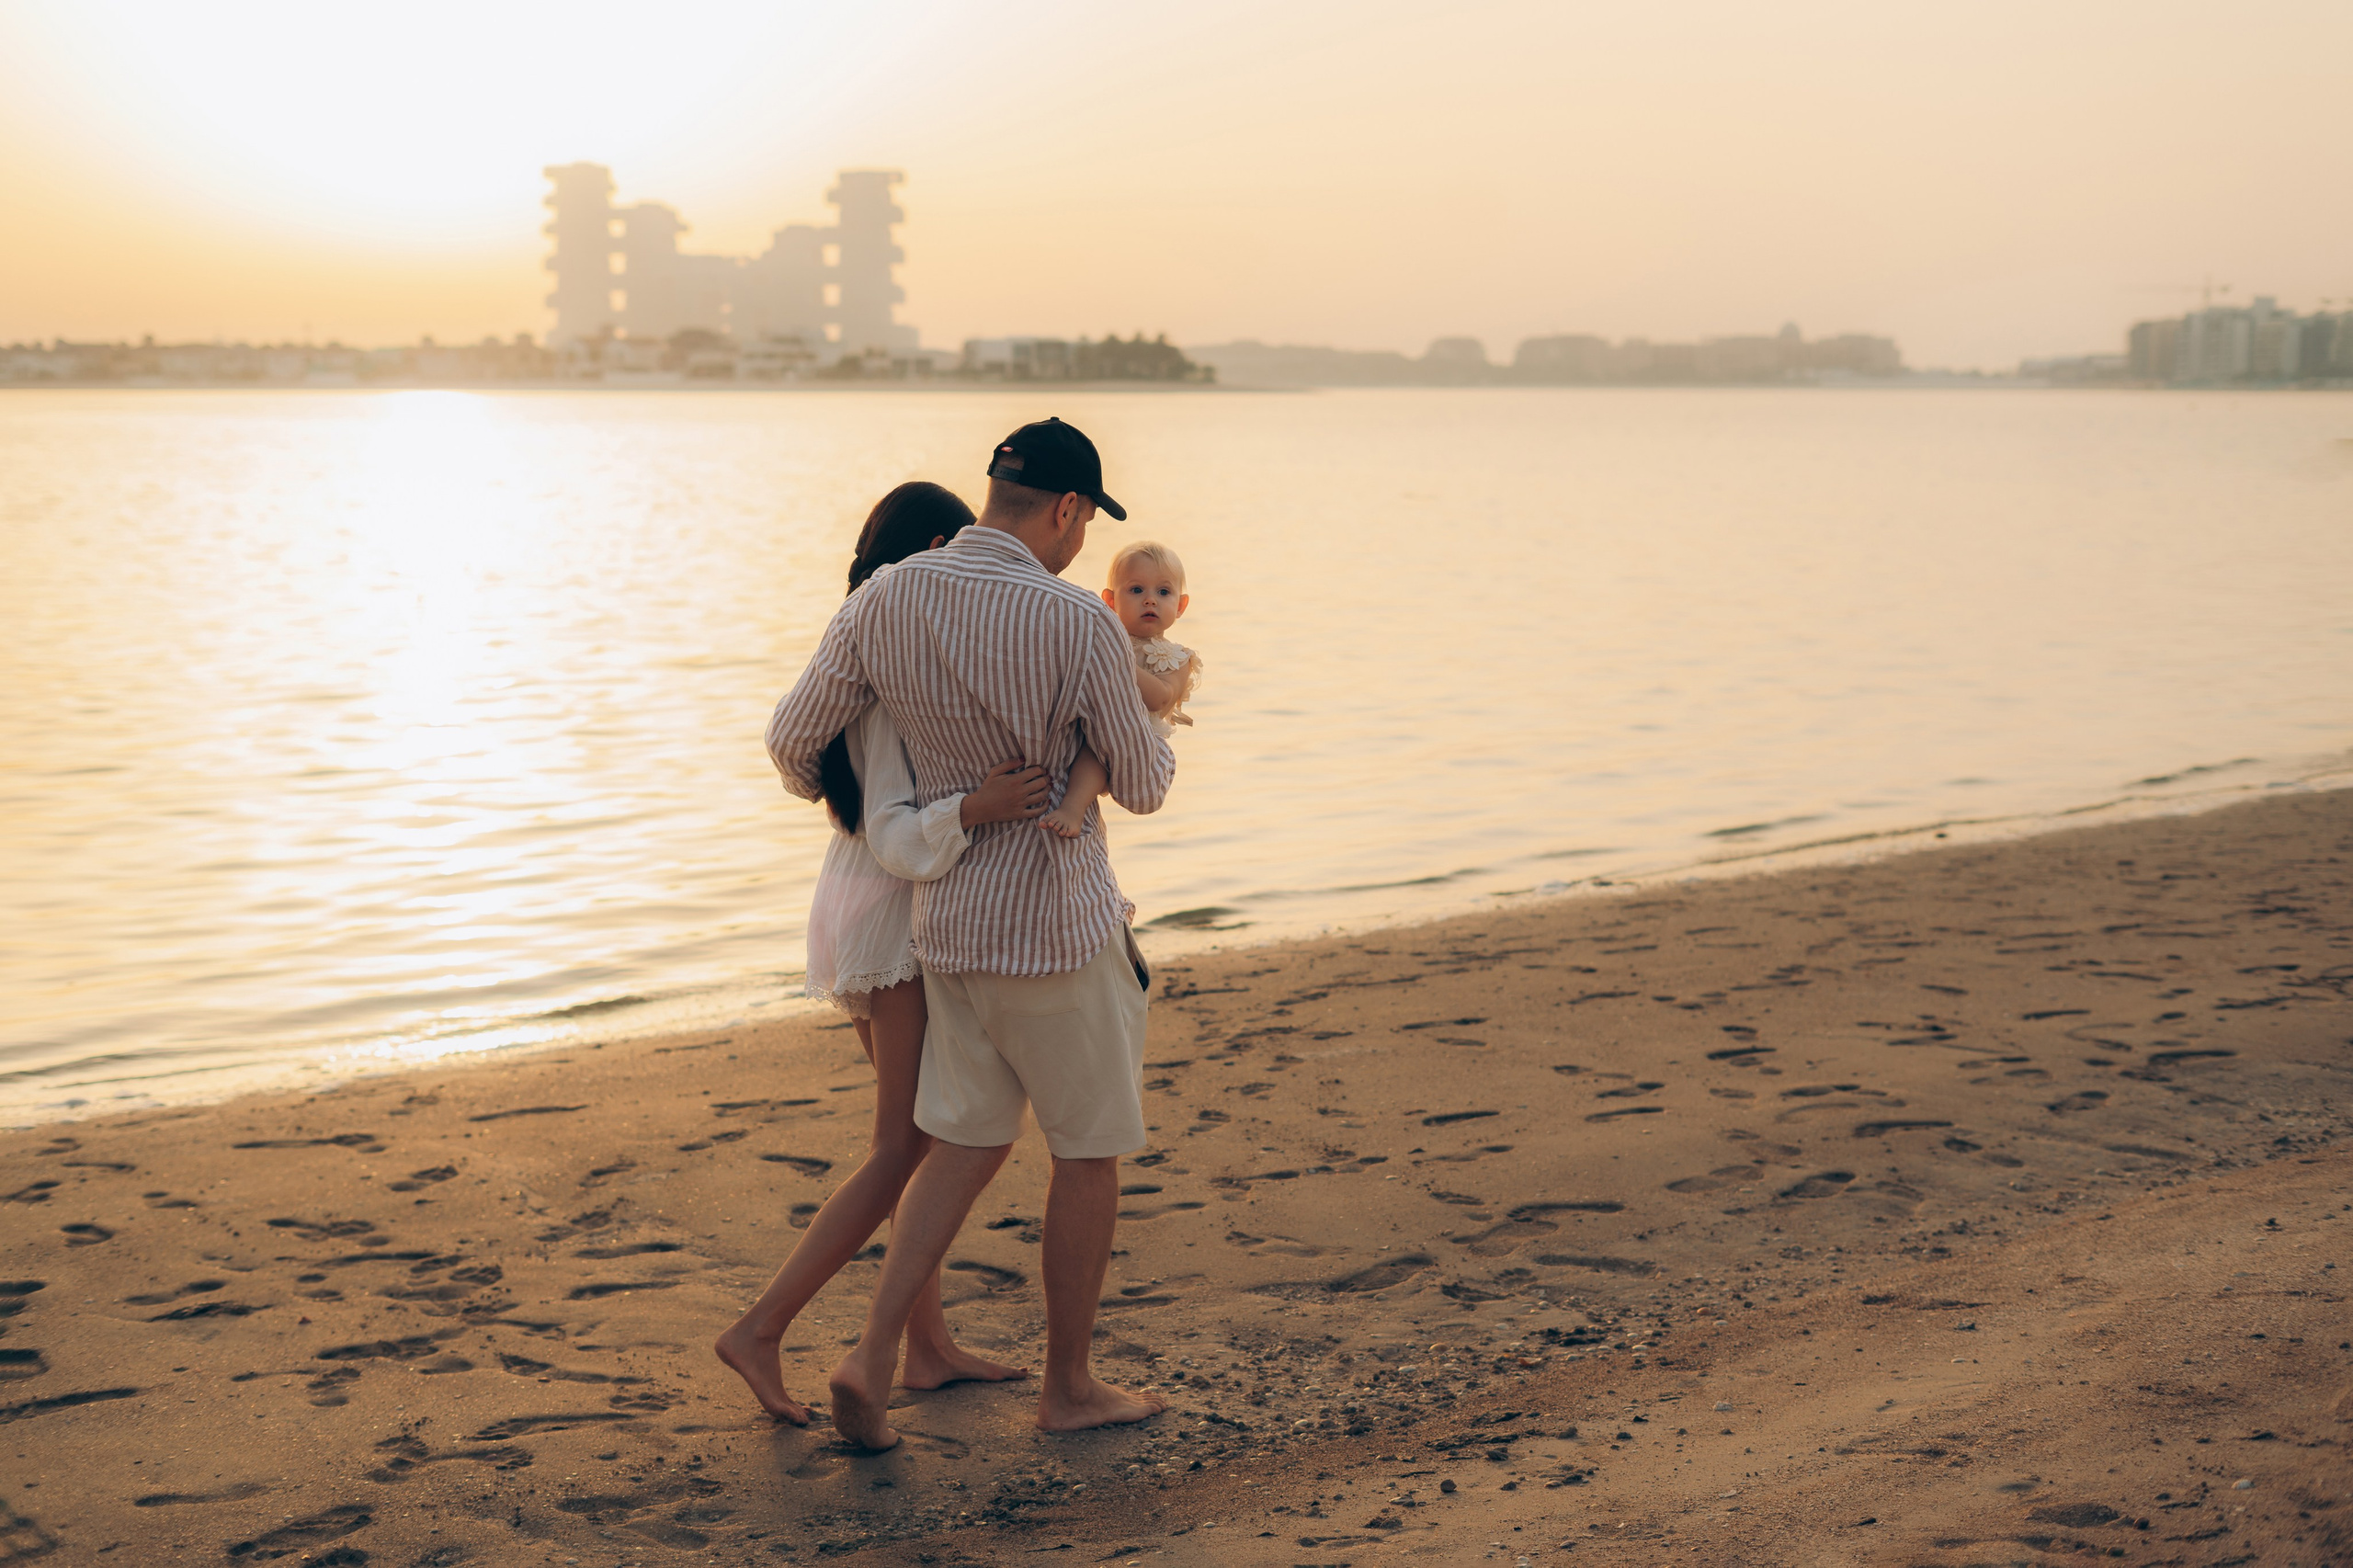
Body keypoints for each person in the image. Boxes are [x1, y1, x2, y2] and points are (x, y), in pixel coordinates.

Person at [764, 417, 1175, 1449]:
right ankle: (1068, 1384)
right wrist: (1141, 720)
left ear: (992, 488)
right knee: (1087, 1153)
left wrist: (879, 817)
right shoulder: (1079, 623)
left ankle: (868, 1355)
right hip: (1056, 926)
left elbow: (792, 739)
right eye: (1084, 522)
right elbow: (1147, 784)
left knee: (959, 1143)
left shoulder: (885, 597)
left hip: (946, 928)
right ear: (1071, 511)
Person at [716, 481, 1053, 1425]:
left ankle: (929, 1346)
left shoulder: (862, 632)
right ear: (940, 545)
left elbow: (795, 747)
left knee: (920, 1131)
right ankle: (761, 1327)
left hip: (851, 887)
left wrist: (852, 803)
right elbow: (901, 809)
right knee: (906, 1141)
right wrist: (965, 807)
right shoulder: (899, 642)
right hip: (887, 898)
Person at [1040, 540, 1199, 840]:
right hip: (1093, 717)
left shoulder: (1179, 658)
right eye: (1137, 590)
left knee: (1095, 753)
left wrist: (1117, 658)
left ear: (1180, 606)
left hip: (1139, 734)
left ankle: (1072, 809)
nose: (1150, 600)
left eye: (1163, 592)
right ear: (1110, 601)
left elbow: (1161, 697)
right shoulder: (1105, 638)